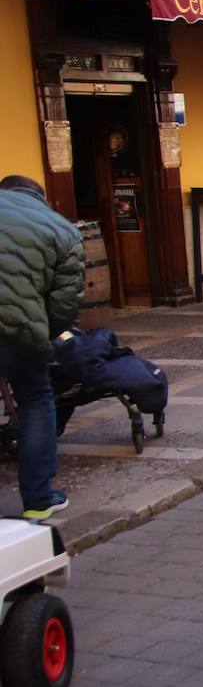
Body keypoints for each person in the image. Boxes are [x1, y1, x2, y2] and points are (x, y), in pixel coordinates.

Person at [0, 175, 83, 520]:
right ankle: (38, 499)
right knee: (35, 400)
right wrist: (43, 334)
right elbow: (64, 306)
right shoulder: (62, 230)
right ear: (40, 197)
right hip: (19, 332)